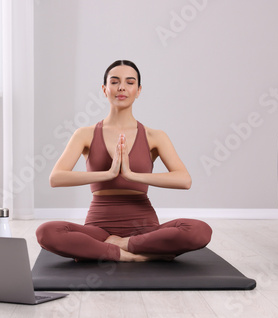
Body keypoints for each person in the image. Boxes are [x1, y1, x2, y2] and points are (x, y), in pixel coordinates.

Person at [36, 60, 212, 262]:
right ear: (104, 89)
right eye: (115, 81)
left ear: (138, 90)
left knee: (199, 230)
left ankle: (118, 247)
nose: (121, 87)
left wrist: (131, 175)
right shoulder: (85, 134)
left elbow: (184, 180)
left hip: (144, 229)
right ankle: (133, 257)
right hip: (98, 229)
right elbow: (56, 178)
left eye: (130, 82)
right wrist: (109, 173)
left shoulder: (155, 136)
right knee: (46, 232)